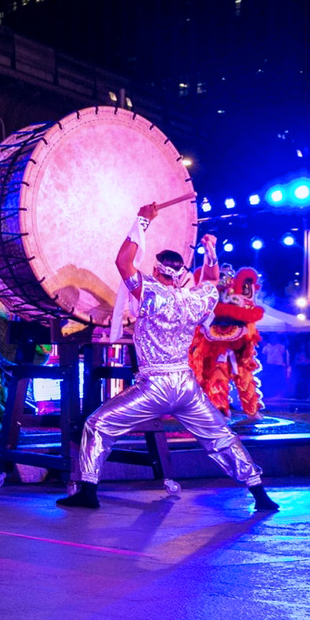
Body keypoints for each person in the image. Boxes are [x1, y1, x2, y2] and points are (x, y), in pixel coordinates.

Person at [57, 203, 278, 512]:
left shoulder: (149, 292)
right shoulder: (195, 300)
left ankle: (88, 491)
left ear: (157, 271)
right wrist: (210, 252)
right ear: (180, 274)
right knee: (221, 437)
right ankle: (260, 494)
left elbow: (123, 262)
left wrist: (142, 222)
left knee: (97, 425)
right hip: (187, 387)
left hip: (155, 386)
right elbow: (211, 280)